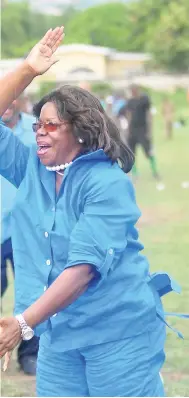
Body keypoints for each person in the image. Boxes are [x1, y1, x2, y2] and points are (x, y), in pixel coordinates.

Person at [0, 27, 183, 397]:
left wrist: (22, 323)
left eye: (51, 125)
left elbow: (82, 271)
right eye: (37, 125)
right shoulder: (33, 169)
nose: (39, 133)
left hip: (118, 334)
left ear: (81, 131)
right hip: (59, 334)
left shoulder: (107, 184)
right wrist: (27, 71)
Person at [1, 96, 39, 375]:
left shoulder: (39, 130)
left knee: (35, 291)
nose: (9, 102)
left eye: (15, 97)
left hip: (28, 229)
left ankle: (30, 353)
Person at [123, 84, 161, 183]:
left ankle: (155, 171)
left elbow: (149, 114)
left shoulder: (144, 100)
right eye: (132, 90)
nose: (133, 92)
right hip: (133, 130)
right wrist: (128, 130)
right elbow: (128, 115)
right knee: (132, 153)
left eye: (134, 90)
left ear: (137, 90)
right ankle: (135, 174)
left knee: (149, 152)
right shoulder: (130, 101)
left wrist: (149, 130)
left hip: (143, 130)